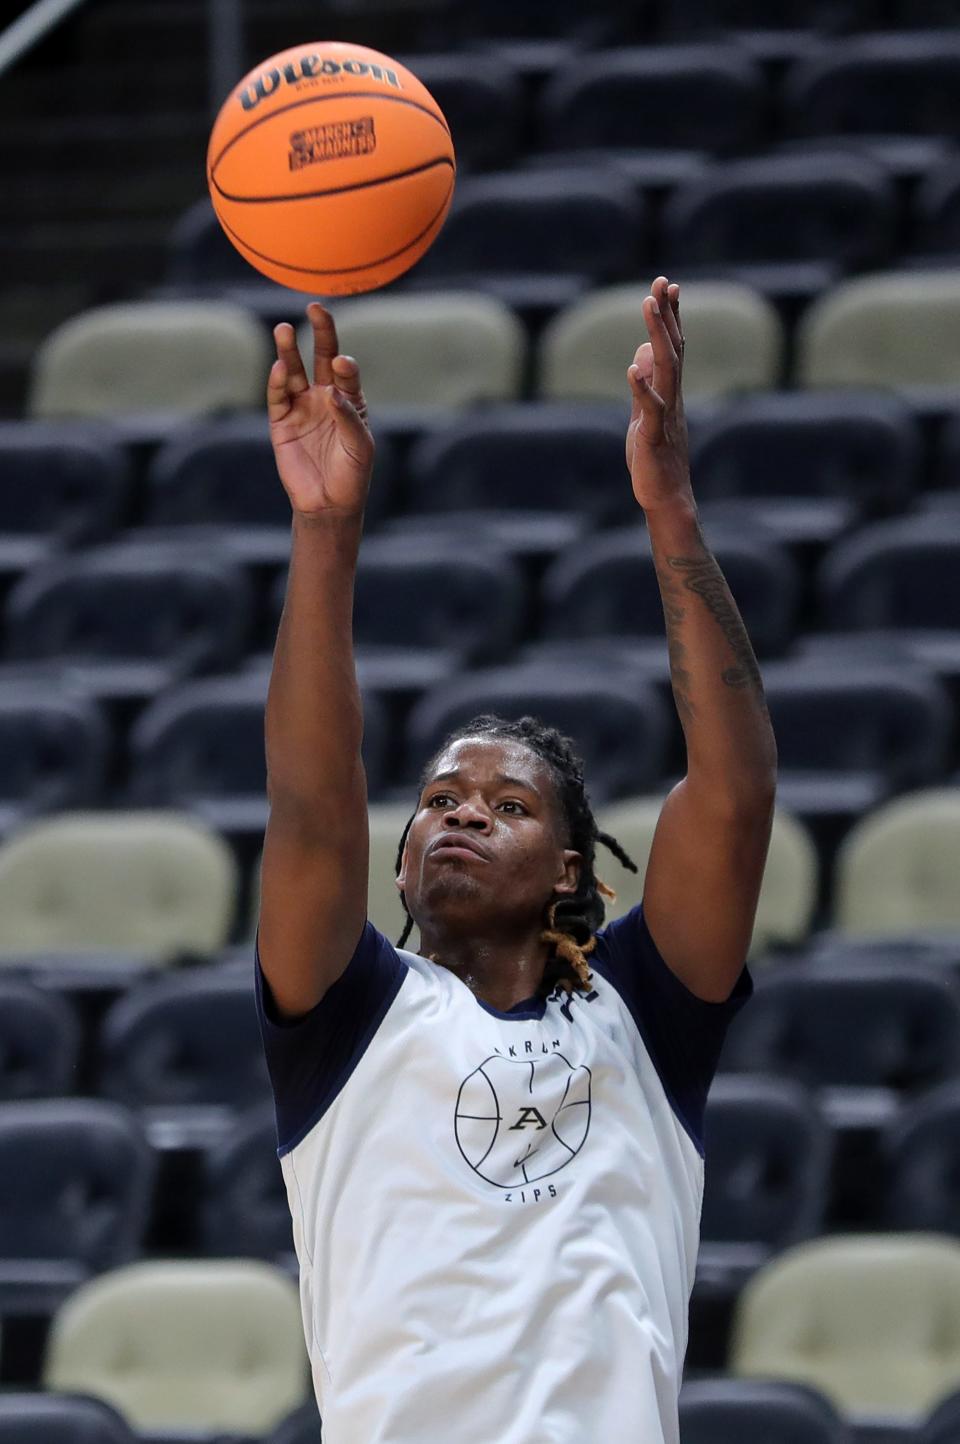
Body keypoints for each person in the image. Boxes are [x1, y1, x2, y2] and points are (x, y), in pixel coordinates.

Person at [255, 275, 777, 1444]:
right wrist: (325, 527)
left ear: (571, 872)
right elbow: (310, 804)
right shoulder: (344, 1023)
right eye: (438, 798)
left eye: (506, 803)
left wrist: (671, 505)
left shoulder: (644, 1016)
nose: (461, 814)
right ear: (396, 867)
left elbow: (736, 800)